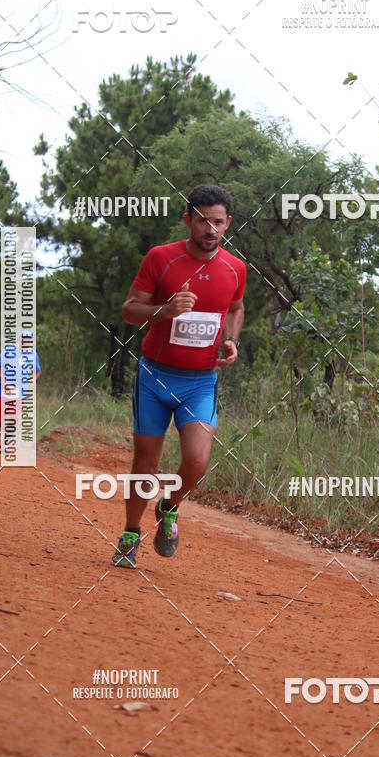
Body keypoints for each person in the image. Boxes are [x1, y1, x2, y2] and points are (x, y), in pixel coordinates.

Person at [113, 183, 246, 569]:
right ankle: (130, 533)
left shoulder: (234, 268)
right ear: (188, 220)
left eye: (217, 222)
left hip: (201, 381)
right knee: (146, 465)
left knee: (197, 460)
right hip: (155, 377)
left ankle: (170, 507)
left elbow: (236, 308)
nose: (210, 229)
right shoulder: (161, 258)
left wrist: (231, 340)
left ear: (227, 224)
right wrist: (165, 310)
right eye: (203, 221)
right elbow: (129, 310)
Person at [0, 333, 41, 448]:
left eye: (29, 340)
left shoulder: (33, 355)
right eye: (24, 339)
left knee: (15, 419)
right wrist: (4, 381)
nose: (26, 342)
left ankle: (5, 444)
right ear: (20, 339)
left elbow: (38, 371)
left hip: (20, 394)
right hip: (2, 392)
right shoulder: (9, 350)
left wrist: (33, 380)